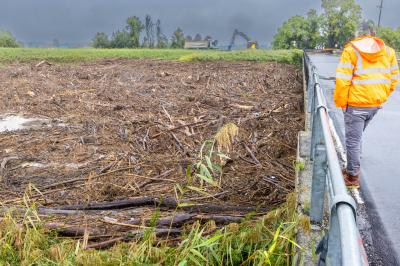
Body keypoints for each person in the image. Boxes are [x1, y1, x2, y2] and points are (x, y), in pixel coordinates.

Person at [334, 21, 399, 188]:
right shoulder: (389, 52)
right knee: (357, 136)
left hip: (356, 104)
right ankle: (351, 168)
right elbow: (394, 79)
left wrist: (342, 103)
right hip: (375, 105)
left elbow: (343, 80)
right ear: (372, 33)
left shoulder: (351, 50)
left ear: (358, 34)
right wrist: (381, 97)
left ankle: (352, 178)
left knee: (353, 140)